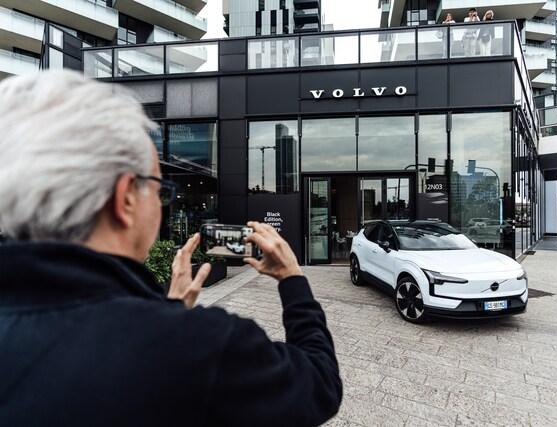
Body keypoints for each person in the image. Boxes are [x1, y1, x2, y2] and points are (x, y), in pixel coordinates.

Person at [0, 71, 342, 426]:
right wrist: (292, 278)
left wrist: (165, 312)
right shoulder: (202, 346)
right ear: (125, 197)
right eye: (159, 190)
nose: (161, 204)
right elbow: (320, 384)